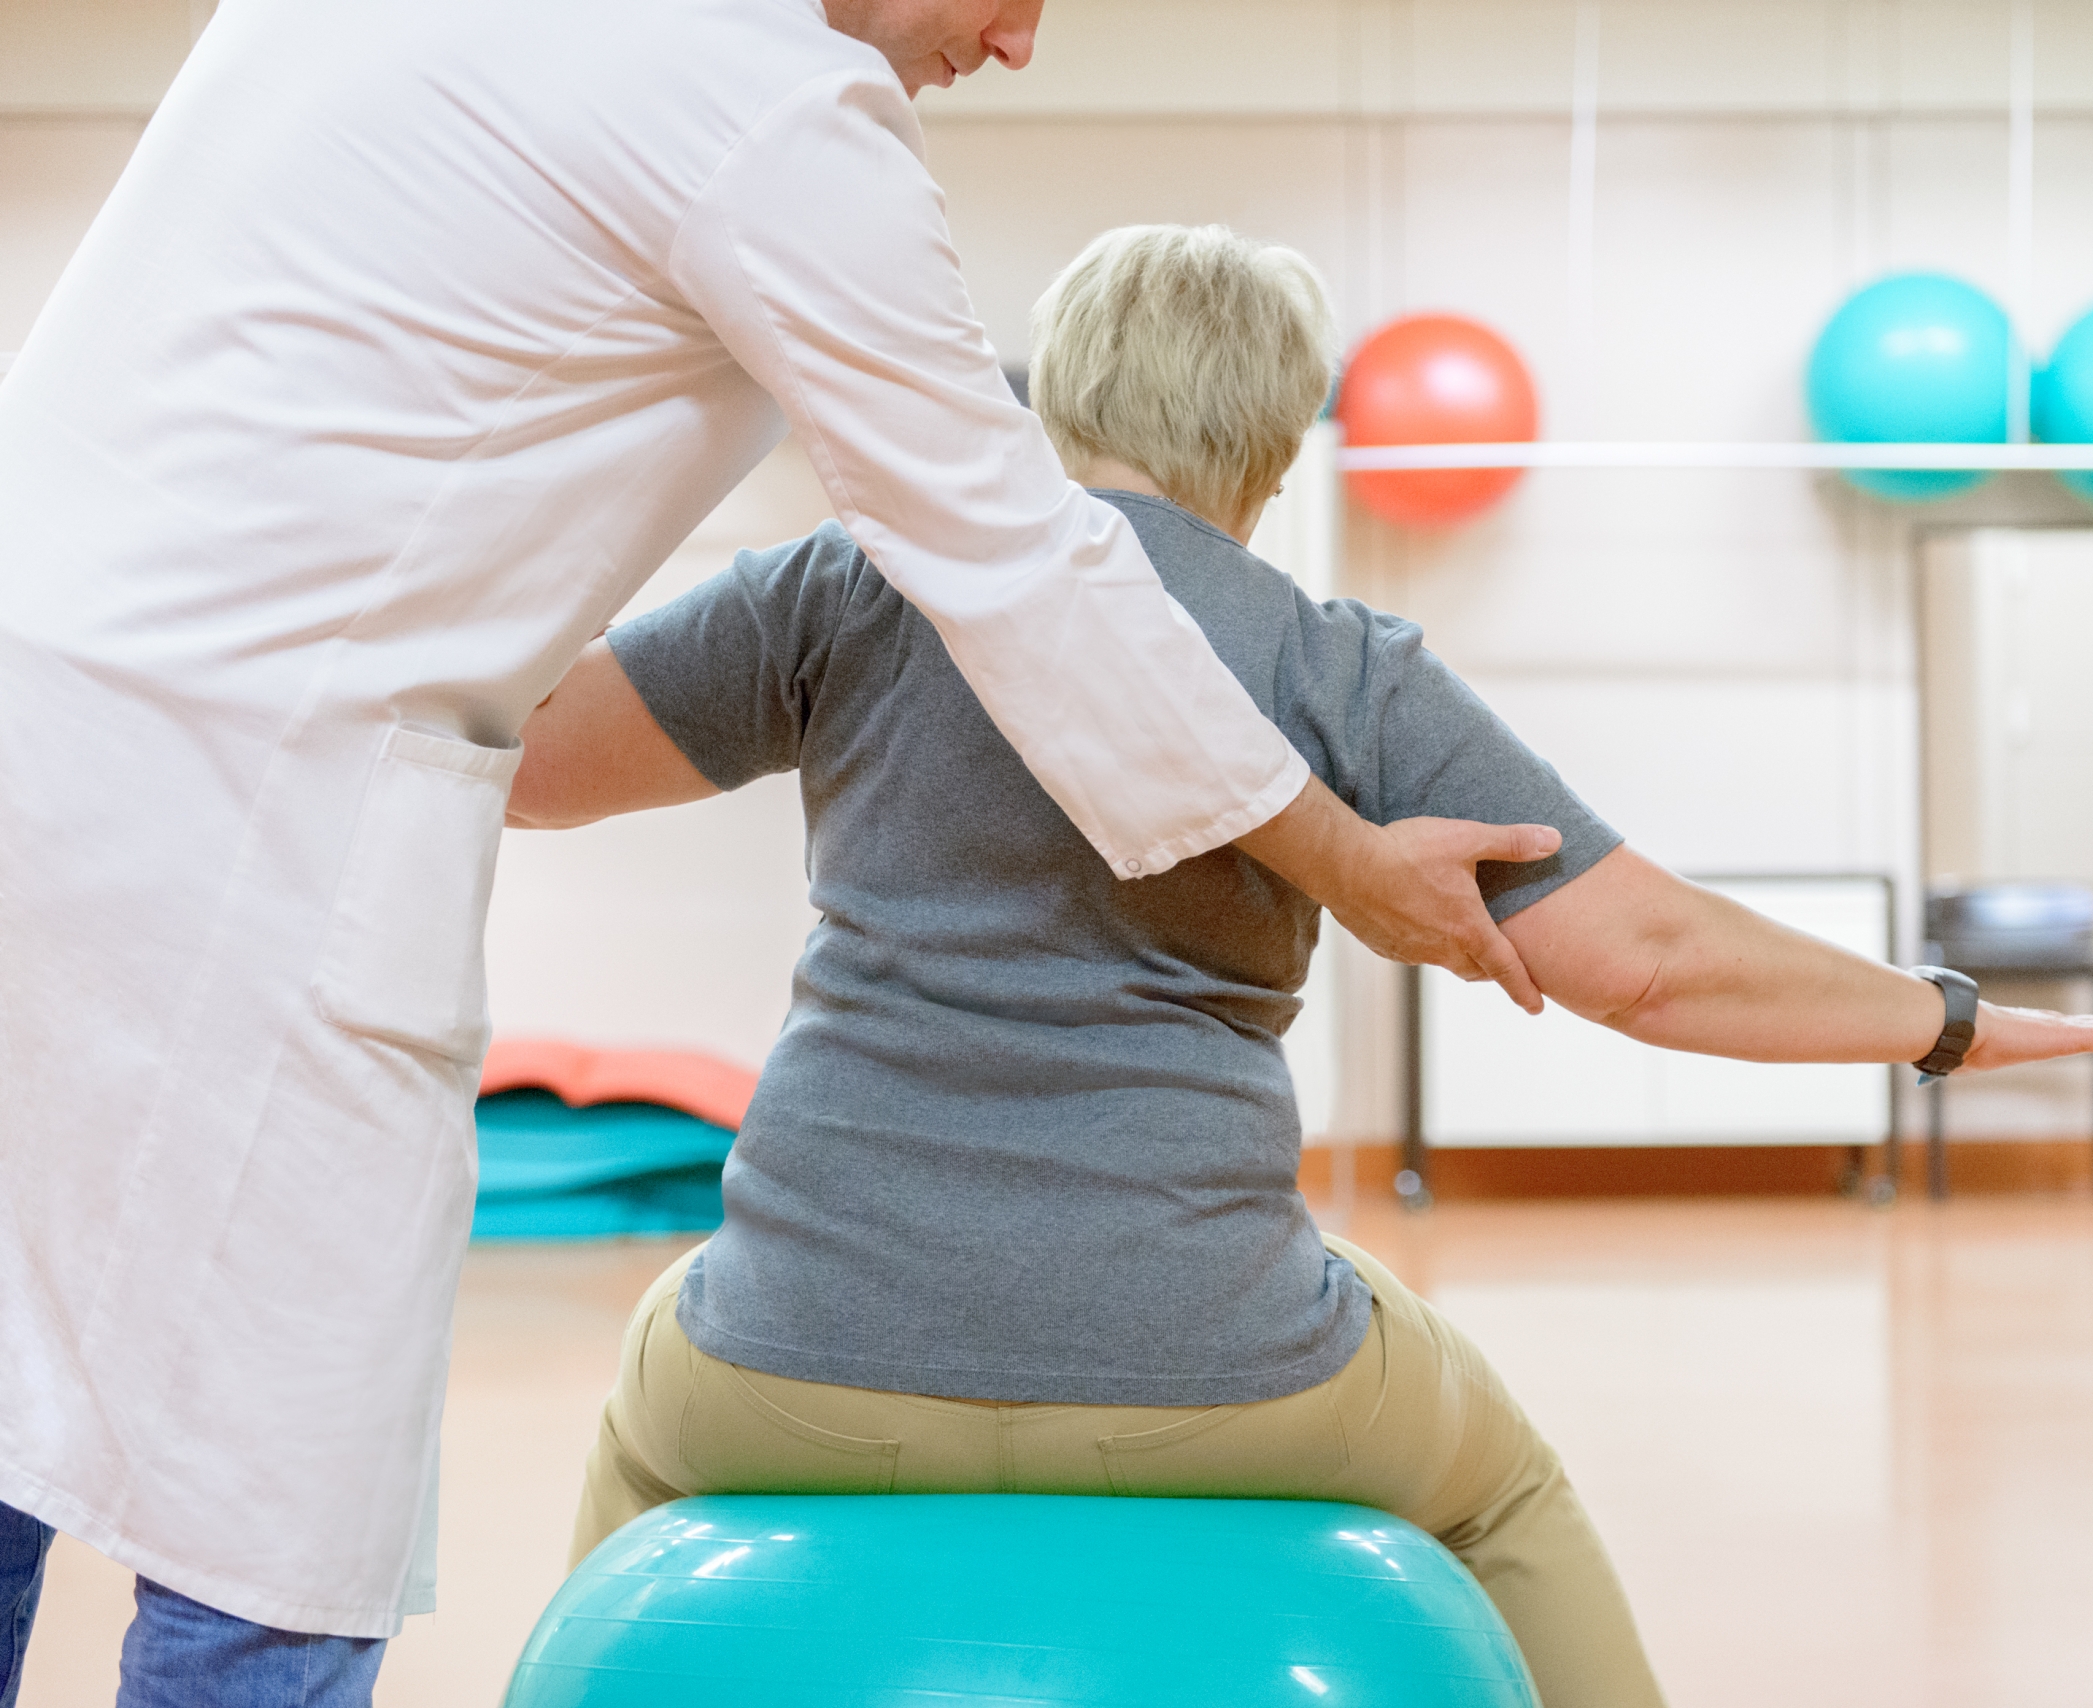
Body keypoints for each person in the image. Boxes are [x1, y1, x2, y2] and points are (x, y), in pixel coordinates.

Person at [0, 3, 1551, 1702]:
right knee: (270, 1506)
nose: (1021, 41)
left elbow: (575, 737)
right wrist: (1349, 861)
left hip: (65, 723)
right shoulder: (775, 120)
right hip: (246, 816)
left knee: (16, 1389)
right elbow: (1020, 566)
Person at [506, 224, 2093, 1708]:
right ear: (1281, 446)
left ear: (1055, 402)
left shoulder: (847, 585)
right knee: (1502, 1475)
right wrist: (1952, 1022)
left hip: (799, 1355)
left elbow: (523, 758)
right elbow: (1654, 967)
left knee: (655, 1399)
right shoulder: (1335, 665)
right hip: (1216, 1366)